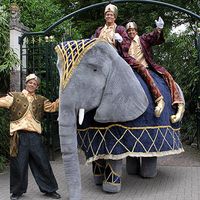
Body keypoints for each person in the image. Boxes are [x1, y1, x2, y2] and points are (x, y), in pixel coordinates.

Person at [0, 74, 61, 200]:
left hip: (34, 136)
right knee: (18, 164)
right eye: (30, 82)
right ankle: (17, 192)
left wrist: (63, 98)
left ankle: (49, 189)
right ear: (26, 83)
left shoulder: (41, 99)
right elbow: (2, 102)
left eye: (35, 84)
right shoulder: (14, 96)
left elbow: (53, 107)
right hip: (18, 136)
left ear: (37, 87)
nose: (32, 85)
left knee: (42, 163)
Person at [121, 17, 185, 122]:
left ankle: (179, 104)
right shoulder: (125, 43)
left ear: (136, 31)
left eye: (132, 30)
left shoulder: (143, 39)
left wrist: (158, 29)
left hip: (145, 67)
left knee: (167, 75)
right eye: (129, 31)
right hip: (129, 69)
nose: (131, 32)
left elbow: (153, 37)